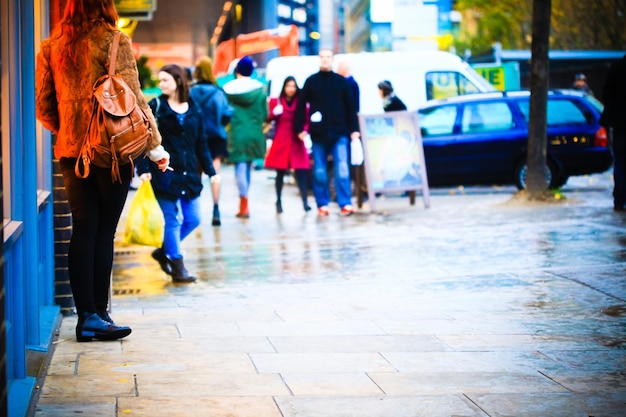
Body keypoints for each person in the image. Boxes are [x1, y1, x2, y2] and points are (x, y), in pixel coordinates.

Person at [35, 0, 170, 342]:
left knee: (82, 229)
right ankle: (100, 312)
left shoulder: (51, 47)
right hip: (111, 153)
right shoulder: (115, 41)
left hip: (72, 152)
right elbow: (134, 100)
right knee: (104, 232)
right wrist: (155, 148)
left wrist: (71, 130)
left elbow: (43, 105)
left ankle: (87, 318)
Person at [137, 64, 216, 283]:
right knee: (172, 221)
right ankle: (178, 266)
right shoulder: (156, 106)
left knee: (193, 219)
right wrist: (143, 169)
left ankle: (164, 251)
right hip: (164, 172)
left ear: (178, 81)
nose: (161, 84)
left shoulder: (194, 108)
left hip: (190, 173)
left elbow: (202, 144)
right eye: (159, 80)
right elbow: (142, 140)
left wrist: (211, 171)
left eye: (165, 80)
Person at [294, 49, 361, 216]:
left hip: (340, 132)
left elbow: (350, 107)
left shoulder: (341, 82)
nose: (325, 60)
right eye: (322, 57)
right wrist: (300, 129)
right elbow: (301, 106)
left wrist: (354, 130)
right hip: (318, 134)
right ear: (319, 59)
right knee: (320, 171)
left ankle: (345, 203)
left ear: (333, 60)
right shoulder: (312, 81)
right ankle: (322, 203)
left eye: (328, 57)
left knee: (343, 168)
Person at [223, 56, 268, 218]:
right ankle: (245, 198)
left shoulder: (228, 89)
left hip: (236, 133)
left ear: (237, 71)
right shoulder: (260, 90)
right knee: (247, 165)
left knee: (240, 167)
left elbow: (225, 112)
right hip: (255, 133)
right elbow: (265, 115)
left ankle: (244, 202)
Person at [190, 56, 232, 226]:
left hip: (197, 137)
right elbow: (227, 114)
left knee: (197, 174)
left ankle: (196, 209)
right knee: (215, 174)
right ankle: (216, 208)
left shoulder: (190, 92)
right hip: (216, 137)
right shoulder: (218, 92)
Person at [265, 76, 311, 213]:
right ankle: (278, 200)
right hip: (282, 140)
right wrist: (274, 113)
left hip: (296, 140)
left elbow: (306, 121)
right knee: (280, 172)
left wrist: (305, 131)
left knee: (301, 172)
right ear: (284, 87)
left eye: (293, 86)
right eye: (288, 86)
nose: (291, 89)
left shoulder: (301, 103)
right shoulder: (277, 102)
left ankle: (305, 201)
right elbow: (268, 118)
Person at [600, 55, 626, 211]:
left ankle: (619, 198)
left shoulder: (617, 67)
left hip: (620, 124)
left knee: (620, 162)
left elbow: (606, 94)